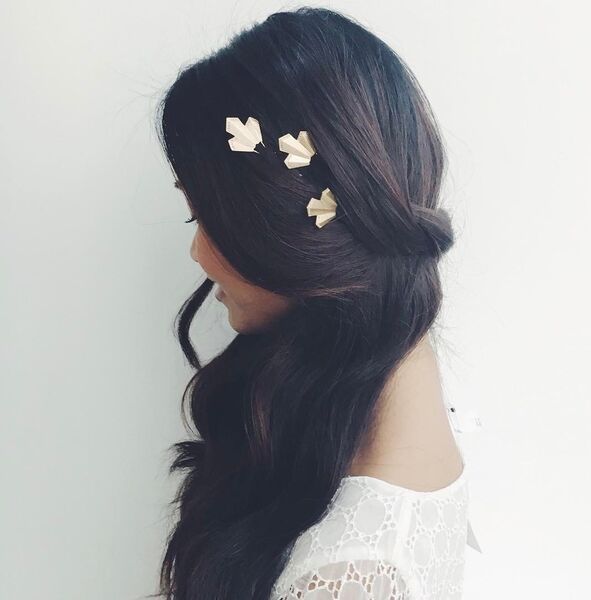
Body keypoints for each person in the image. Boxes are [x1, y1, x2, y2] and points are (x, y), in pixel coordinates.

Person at [155, 6, 469, 599]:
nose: (197, 253)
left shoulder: (349, 578)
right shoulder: (404, 401)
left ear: (284, 231)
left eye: (203, 216)